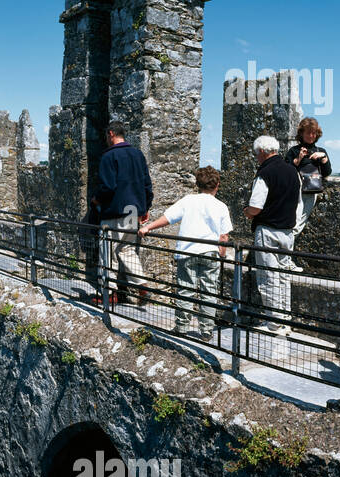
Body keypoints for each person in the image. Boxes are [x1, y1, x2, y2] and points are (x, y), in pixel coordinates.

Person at [138, 166, 233, 340]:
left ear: (197, 184)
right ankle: (206, 330)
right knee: (209, 292)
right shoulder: (221, 206)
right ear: (217, 185)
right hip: (210, 251)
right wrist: (222, 255)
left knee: (185, 290)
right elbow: (224, 236)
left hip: (187, 251)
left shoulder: (189, 200)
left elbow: (168, 218)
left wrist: (148, 227)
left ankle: (181, 327)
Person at [243, 134, 301, 336]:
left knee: (268, 276)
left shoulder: (265, 173)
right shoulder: (293, 172)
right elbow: (299, 204)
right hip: (288, 232)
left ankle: (273, 323)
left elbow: (256, 207)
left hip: (267, 230)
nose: (256, 158)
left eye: (256, 154)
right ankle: (285, 319)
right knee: (284, 276)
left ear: (261, 152)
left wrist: (247, 212)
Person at [90, 121, 153, 306]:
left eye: (106, 136)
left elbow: (108, 187)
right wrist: (146, 208)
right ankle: (142, 285)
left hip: (114, 212)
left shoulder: (109, 156)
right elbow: (147, 185)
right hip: (134, 212)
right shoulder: (138, 154)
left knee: (107, 252)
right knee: (127, 250)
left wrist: (96, 199)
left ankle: (108, 294)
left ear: (110, 133)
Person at [283, 117, 332, 272]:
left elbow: (327, 172)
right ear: (301, 133)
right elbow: (286, 172)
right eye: (308, 133)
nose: (311, 136)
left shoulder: (321, 151)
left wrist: (323, 159)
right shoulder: (294, 151)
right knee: (293, 225)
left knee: (297, 225)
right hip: (295, 192)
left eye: (313, 133)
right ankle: (285, 260)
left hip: (311, 192)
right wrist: (298, 159)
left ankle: (285, 258)